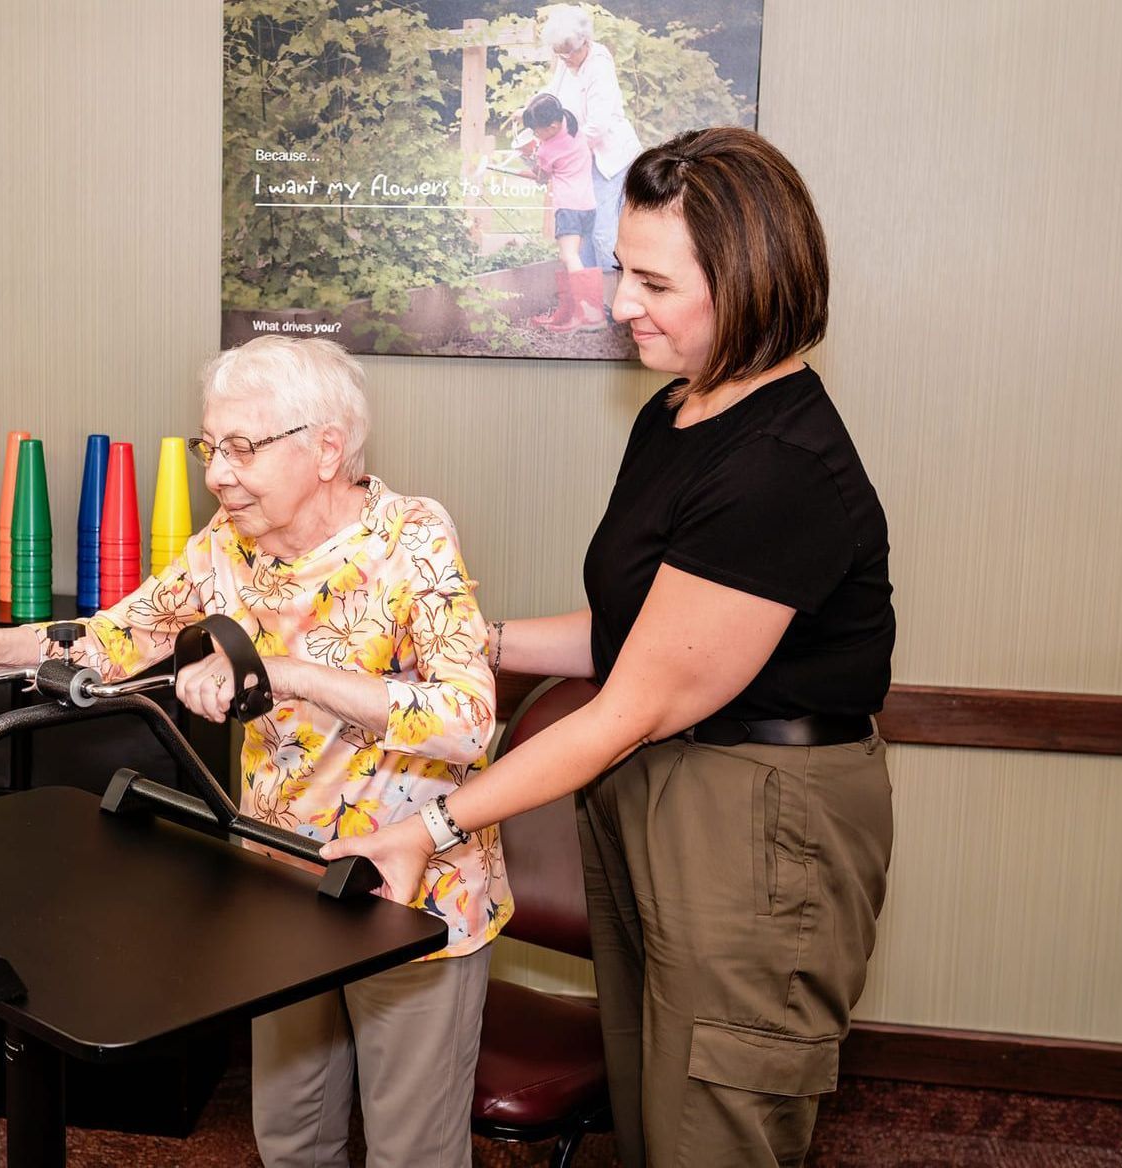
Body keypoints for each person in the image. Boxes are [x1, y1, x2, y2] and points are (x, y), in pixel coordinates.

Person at [324, 127, 895, 1167]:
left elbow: (632, 701)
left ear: (753, 284)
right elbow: (639, 632)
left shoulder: (779, 469)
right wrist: (464, 642)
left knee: (713, 1122)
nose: (621, 302)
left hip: (755, 813)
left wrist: (433, 826)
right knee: (652, 1106)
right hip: (657, 781)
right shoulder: (680, 413)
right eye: (620, 268)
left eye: (652, 281)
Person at [0, 335, 509, 1168]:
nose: (218, 472)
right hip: (286, 879)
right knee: (290, 1137)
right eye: (214, 447)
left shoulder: (412, 538)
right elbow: (119, 637)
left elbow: (469, 719)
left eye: (244, 448)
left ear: (327, 448)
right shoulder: (228, 546)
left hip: (416, 888)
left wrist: (289, 673)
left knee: (410, 1153)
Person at [540, 5, 642, 279]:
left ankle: (612, 300)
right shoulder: (566, 62)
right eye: (559, 53)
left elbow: (597, 126)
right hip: (582, 159)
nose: (564, 59)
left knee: (603, 231)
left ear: (584, 42)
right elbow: (551, 95)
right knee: (581, 232)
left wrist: (562, 152)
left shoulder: (599, 65)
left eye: (568, 52)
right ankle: (589, 302)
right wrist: (530, 110)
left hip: (609, 160)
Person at [520, 92, 603, 332]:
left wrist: (530, 163)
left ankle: (590, 314)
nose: (536, 134)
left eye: (537, 130)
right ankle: (568, 312)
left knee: (570, 257)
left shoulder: (547, 150)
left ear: (552, 125)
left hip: (568, 207)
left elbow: (541, 177)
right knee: (570, 257)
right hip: (588, 205)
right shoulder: (572, 123)